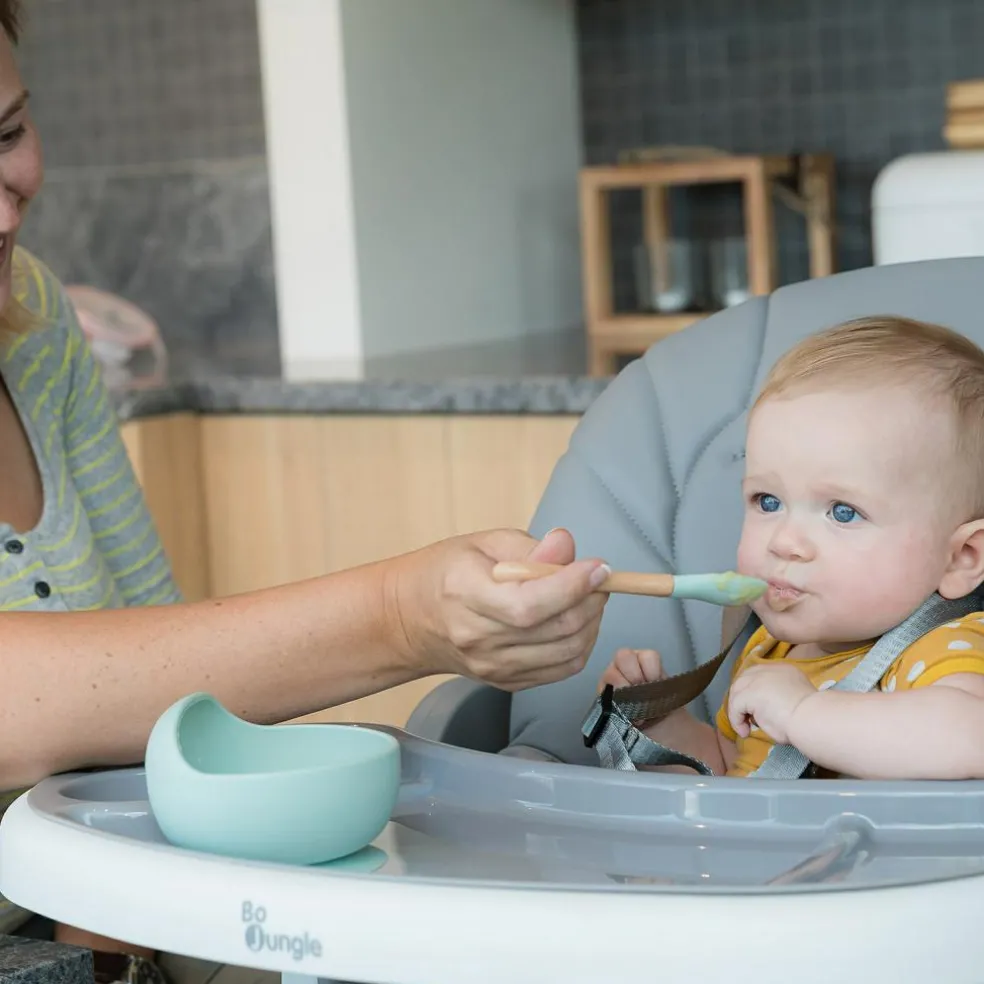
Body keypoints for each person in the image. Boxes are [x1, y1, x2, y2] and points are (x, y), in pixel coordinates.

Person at [0, 2, 611, 979]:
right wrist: (403, 614)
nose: (5, 207)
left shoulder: (33, 324)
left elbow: (169, 695)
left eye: (8, 134)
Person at [600, 315, 984, 781]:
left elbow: (967, 740)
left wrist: (803, 712)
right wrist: (659, 724)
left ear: (963, 558)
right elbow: (741, 775)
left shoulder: (944, 648)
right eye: (768, 501)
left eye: (843, 512)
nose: (784, 542)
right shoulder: (773, 647)